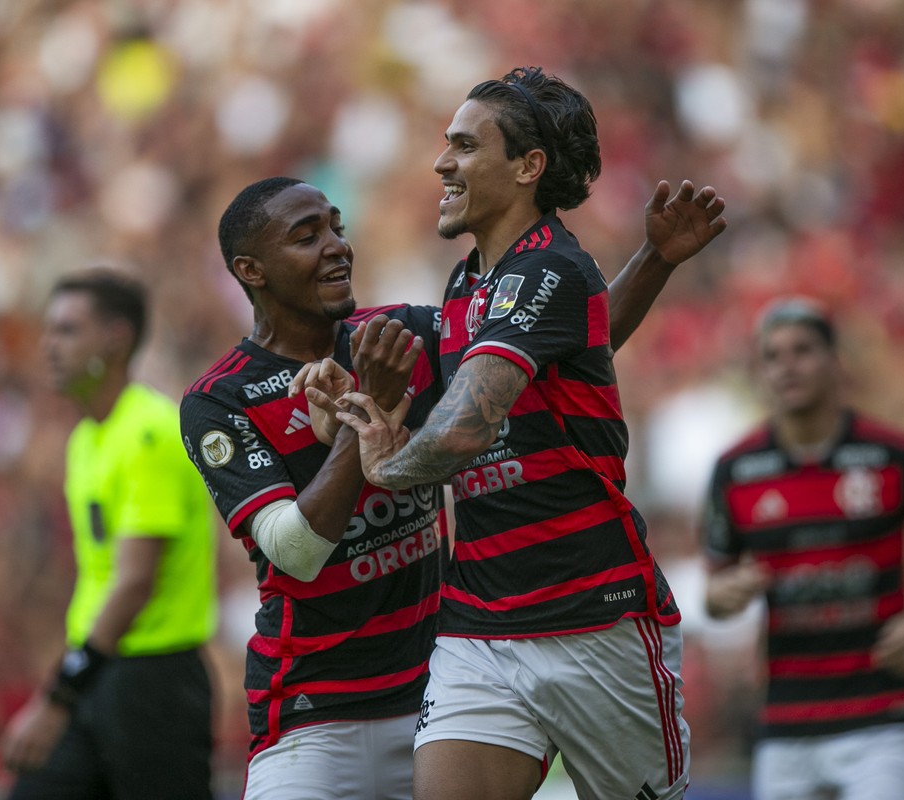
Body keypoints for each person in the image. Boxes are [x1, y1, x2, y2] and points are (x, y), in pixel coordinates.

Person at [179, 160, 725, 797]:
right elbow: (296, 554)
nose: (336, 248)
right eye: (307, 237)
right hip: (312, 714)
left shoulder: (398, 335)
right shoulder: (221, 400)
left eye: (336, 227)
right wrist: (369, 415)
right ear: (251, 271)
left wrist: (655, 261)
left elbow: (555, 344)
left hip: (438, 689)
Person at [325, 66, 713, 800]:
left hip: (594, 619)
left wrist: (389, 464)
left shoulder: (549, 268)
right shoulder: (470, 282)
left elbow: (467, 426)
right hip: (479, 626)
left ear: (528, 167)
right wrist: (345, 400)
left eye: (466, 146)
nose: (443, 162)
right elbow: (577, 347)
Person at [700, 297, 904, 800]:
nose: (787, 367)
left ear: (834, 361)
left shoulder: (897, 456)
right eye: (772, 356)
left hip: (881, 716)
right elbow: (712, 592)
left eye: (802, 350)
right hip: (785, 719)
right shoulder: (734, 470)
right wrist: (725, 594)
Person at [0, 269, 218, 799]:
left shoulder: (149, 431)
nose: (48, 345)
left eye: (67, 330)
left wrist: (58, 695)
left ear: (116, 338)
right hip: (99, 668)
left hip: (154, 683)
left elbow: (132, 584)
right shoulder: (86, 439)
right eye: (49, 330)